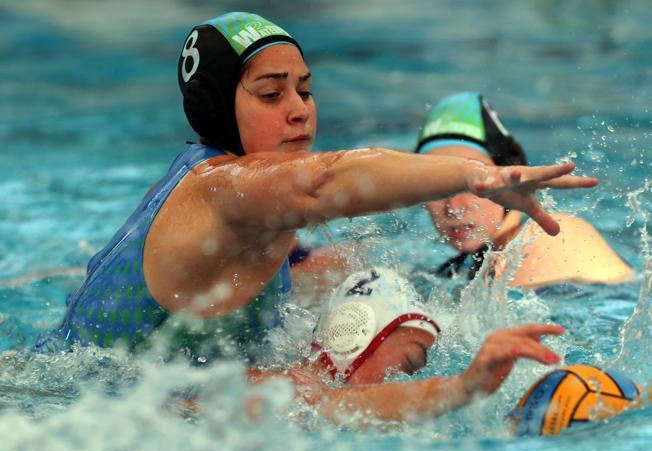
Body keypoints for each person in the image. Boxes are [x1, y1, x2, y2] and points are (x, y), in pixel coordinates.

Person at [38, 13, 596, 363]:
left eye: (305, 90)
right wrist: (482, 176)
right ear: (216, 109)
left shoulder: (261, 211)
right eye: (270, 94)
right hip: (58, 409)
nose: (299, 111)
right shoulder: (218, 185)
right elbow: (325, 181)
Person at [249, 267, 565, 423]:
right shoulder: (281, 388)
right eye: (412, 362)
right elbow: (344, 404)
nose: (410, 378)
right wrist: (465, 387)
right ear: (353, 333)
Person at [416, 92, 634, 288]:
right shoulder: (480, 264)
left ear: (512, 176)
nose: (453, 207)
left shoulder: (551, 237)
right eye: (438, 185)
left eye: (471, 182)